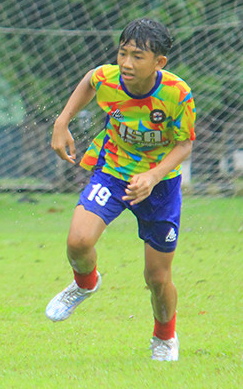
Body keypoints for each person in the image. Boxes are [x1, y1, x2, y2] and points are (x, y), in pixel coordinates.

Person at [46, 18, 196, 362]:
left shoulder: (177, 94)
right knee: (78, 241)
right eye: (122, 53)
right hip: (112, 171)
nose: (126, 63)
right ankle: (85, 283)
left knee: (157, 277)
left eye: (137, 56)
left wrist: (153, 176)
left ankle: (164, 337)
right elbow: (90, 79)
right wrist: (62, 121)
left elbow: (184, 145)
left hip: (159, 187)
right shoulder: (109, 78)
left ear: (159, 62)